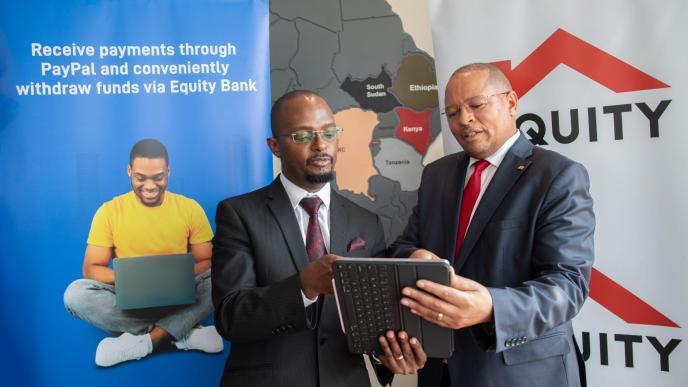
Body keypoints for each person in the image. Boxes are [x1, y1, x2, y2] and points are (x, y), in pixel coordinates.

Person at [389, 63, 595, 387]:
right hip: (439, 372)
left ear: (511, 103)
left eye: (475, 105)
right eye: (453, 111)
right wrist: (414, 259)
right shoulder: (436, 176)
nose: (464, 120)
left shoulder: (557, 176)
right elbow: (402, 247)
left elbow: (567, 286)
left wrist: (491, 308)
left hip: (519, 374)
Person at [211, 90, 426, 387]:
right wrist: (304, 286)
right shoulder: (239, 214)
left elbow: (377, 322)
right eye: (303, 136)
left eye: (329, 132)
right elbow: (230, 317)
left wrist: (386, 355)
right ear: (275, 146)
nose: (320, 145)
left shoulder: (366, 221)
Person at [64, 139, 223, 367]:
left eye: (158, 177)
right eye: (141, 178)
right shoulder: (109, 212)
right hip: (131, 299)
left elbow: (207, 260)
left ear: (168, 172)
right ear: (129, 171)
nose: (150, 186)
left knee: (223, 274)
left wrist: (173, 279)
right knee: (75, 295)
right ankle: (181, 333)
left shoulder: (189, 208)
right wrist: (133, 280)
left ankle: (146, 342)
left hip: (179, 295)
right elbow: (91, 268)